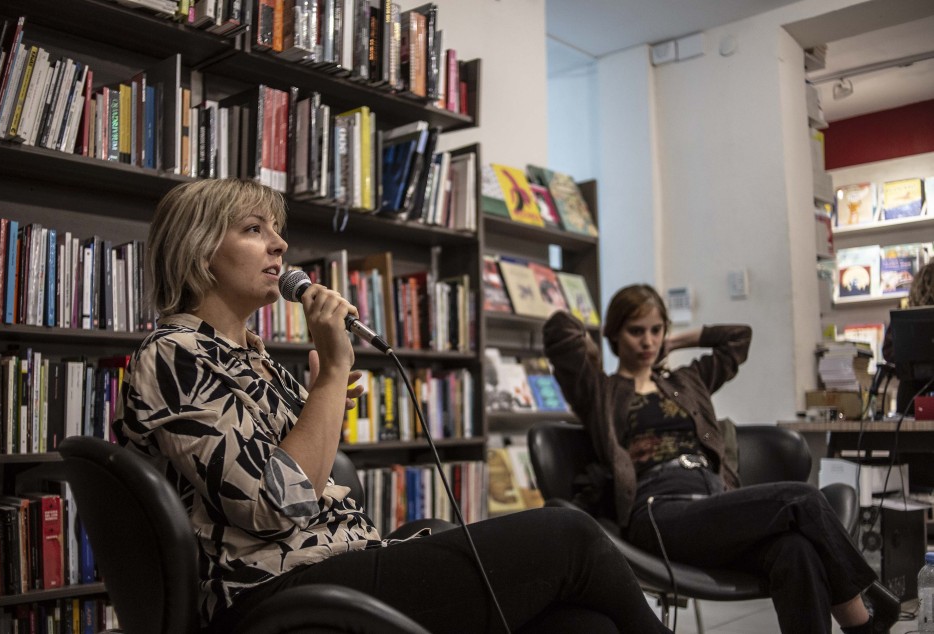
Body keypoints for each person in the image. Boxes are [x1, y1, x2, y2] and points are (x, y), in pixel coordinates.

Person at [112, 178, 673, 634]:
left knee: (582, 625)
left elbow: (301, 480)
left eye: (277, 231)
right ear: (199, 249)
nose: (280, 246)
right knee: (567, 535)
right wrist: (332, 379)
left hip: (331, 567)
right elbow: (274, 507)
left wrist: (318, 402)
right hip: (269, 597)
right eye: (254, 230)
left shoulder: (253, 358)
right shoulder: (173, 354)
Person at [543, 283, 902, 634]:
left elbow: (738, 338)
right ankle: (867, 618)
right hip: (658, 512)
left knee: (795, 551)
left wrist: (678, 339)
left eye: (656, 330)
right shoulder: (601, 393)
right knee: (803, 498)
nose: (648, 341)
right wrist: (592, 345)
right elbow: (559, 332)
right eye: (636, 331)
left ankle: (867, 617)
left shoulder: (686, 381)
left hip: (714, 505)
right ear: (615, 334)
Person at [882, 260, 934, 416]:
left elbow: (888, 351)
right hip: (912, 393)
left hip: (910, 394)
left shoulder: (905, 311)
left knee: (909, 438)